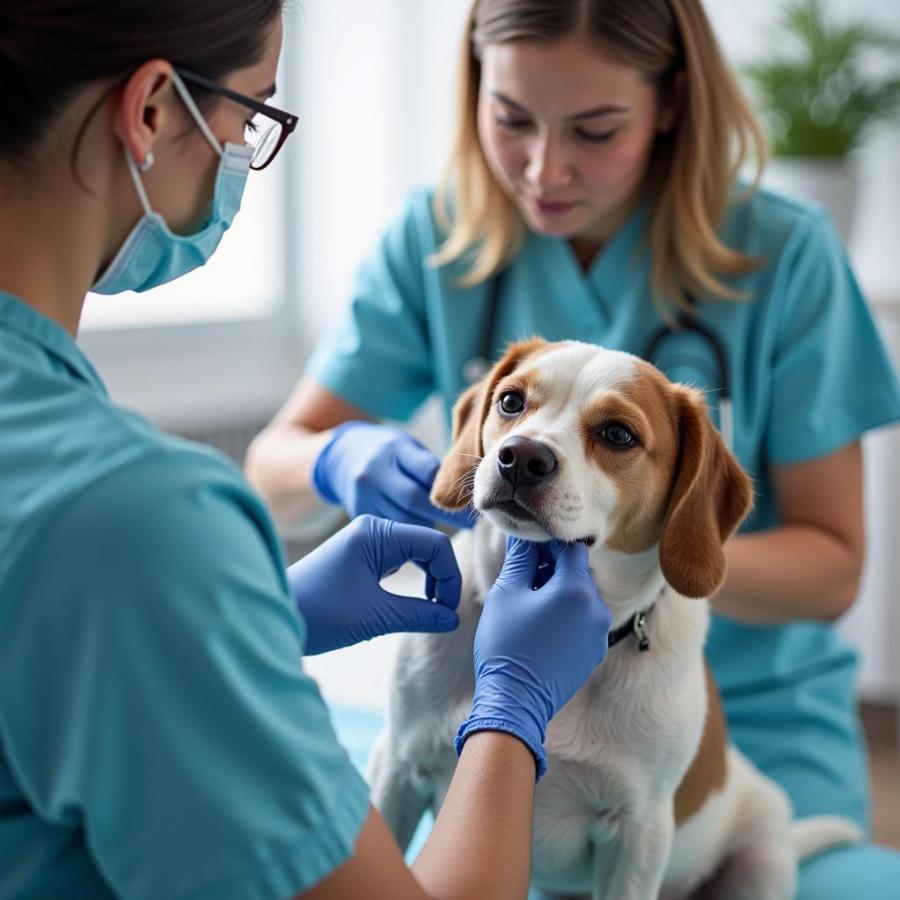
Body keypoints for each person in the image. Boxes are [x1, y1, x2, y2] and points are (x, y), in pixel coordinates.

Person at [245, 0, 900, 896]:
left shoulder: (786, 255)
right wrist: (335, 458)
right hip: (481, 655)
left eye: (595, 130)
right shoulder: (435, 236)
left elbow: (834, 568)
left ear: (670, 102)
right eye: (511, 119)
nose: (545, 169)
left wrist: (648, 561)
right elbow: (275, 461)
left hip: (742, 711)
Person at [0, 2, 615, 898]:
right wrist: (511, 712)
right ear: (151, 112)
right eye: (252, 114)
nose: (245, 154)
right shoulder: (130, 518)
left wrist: (249, 623)